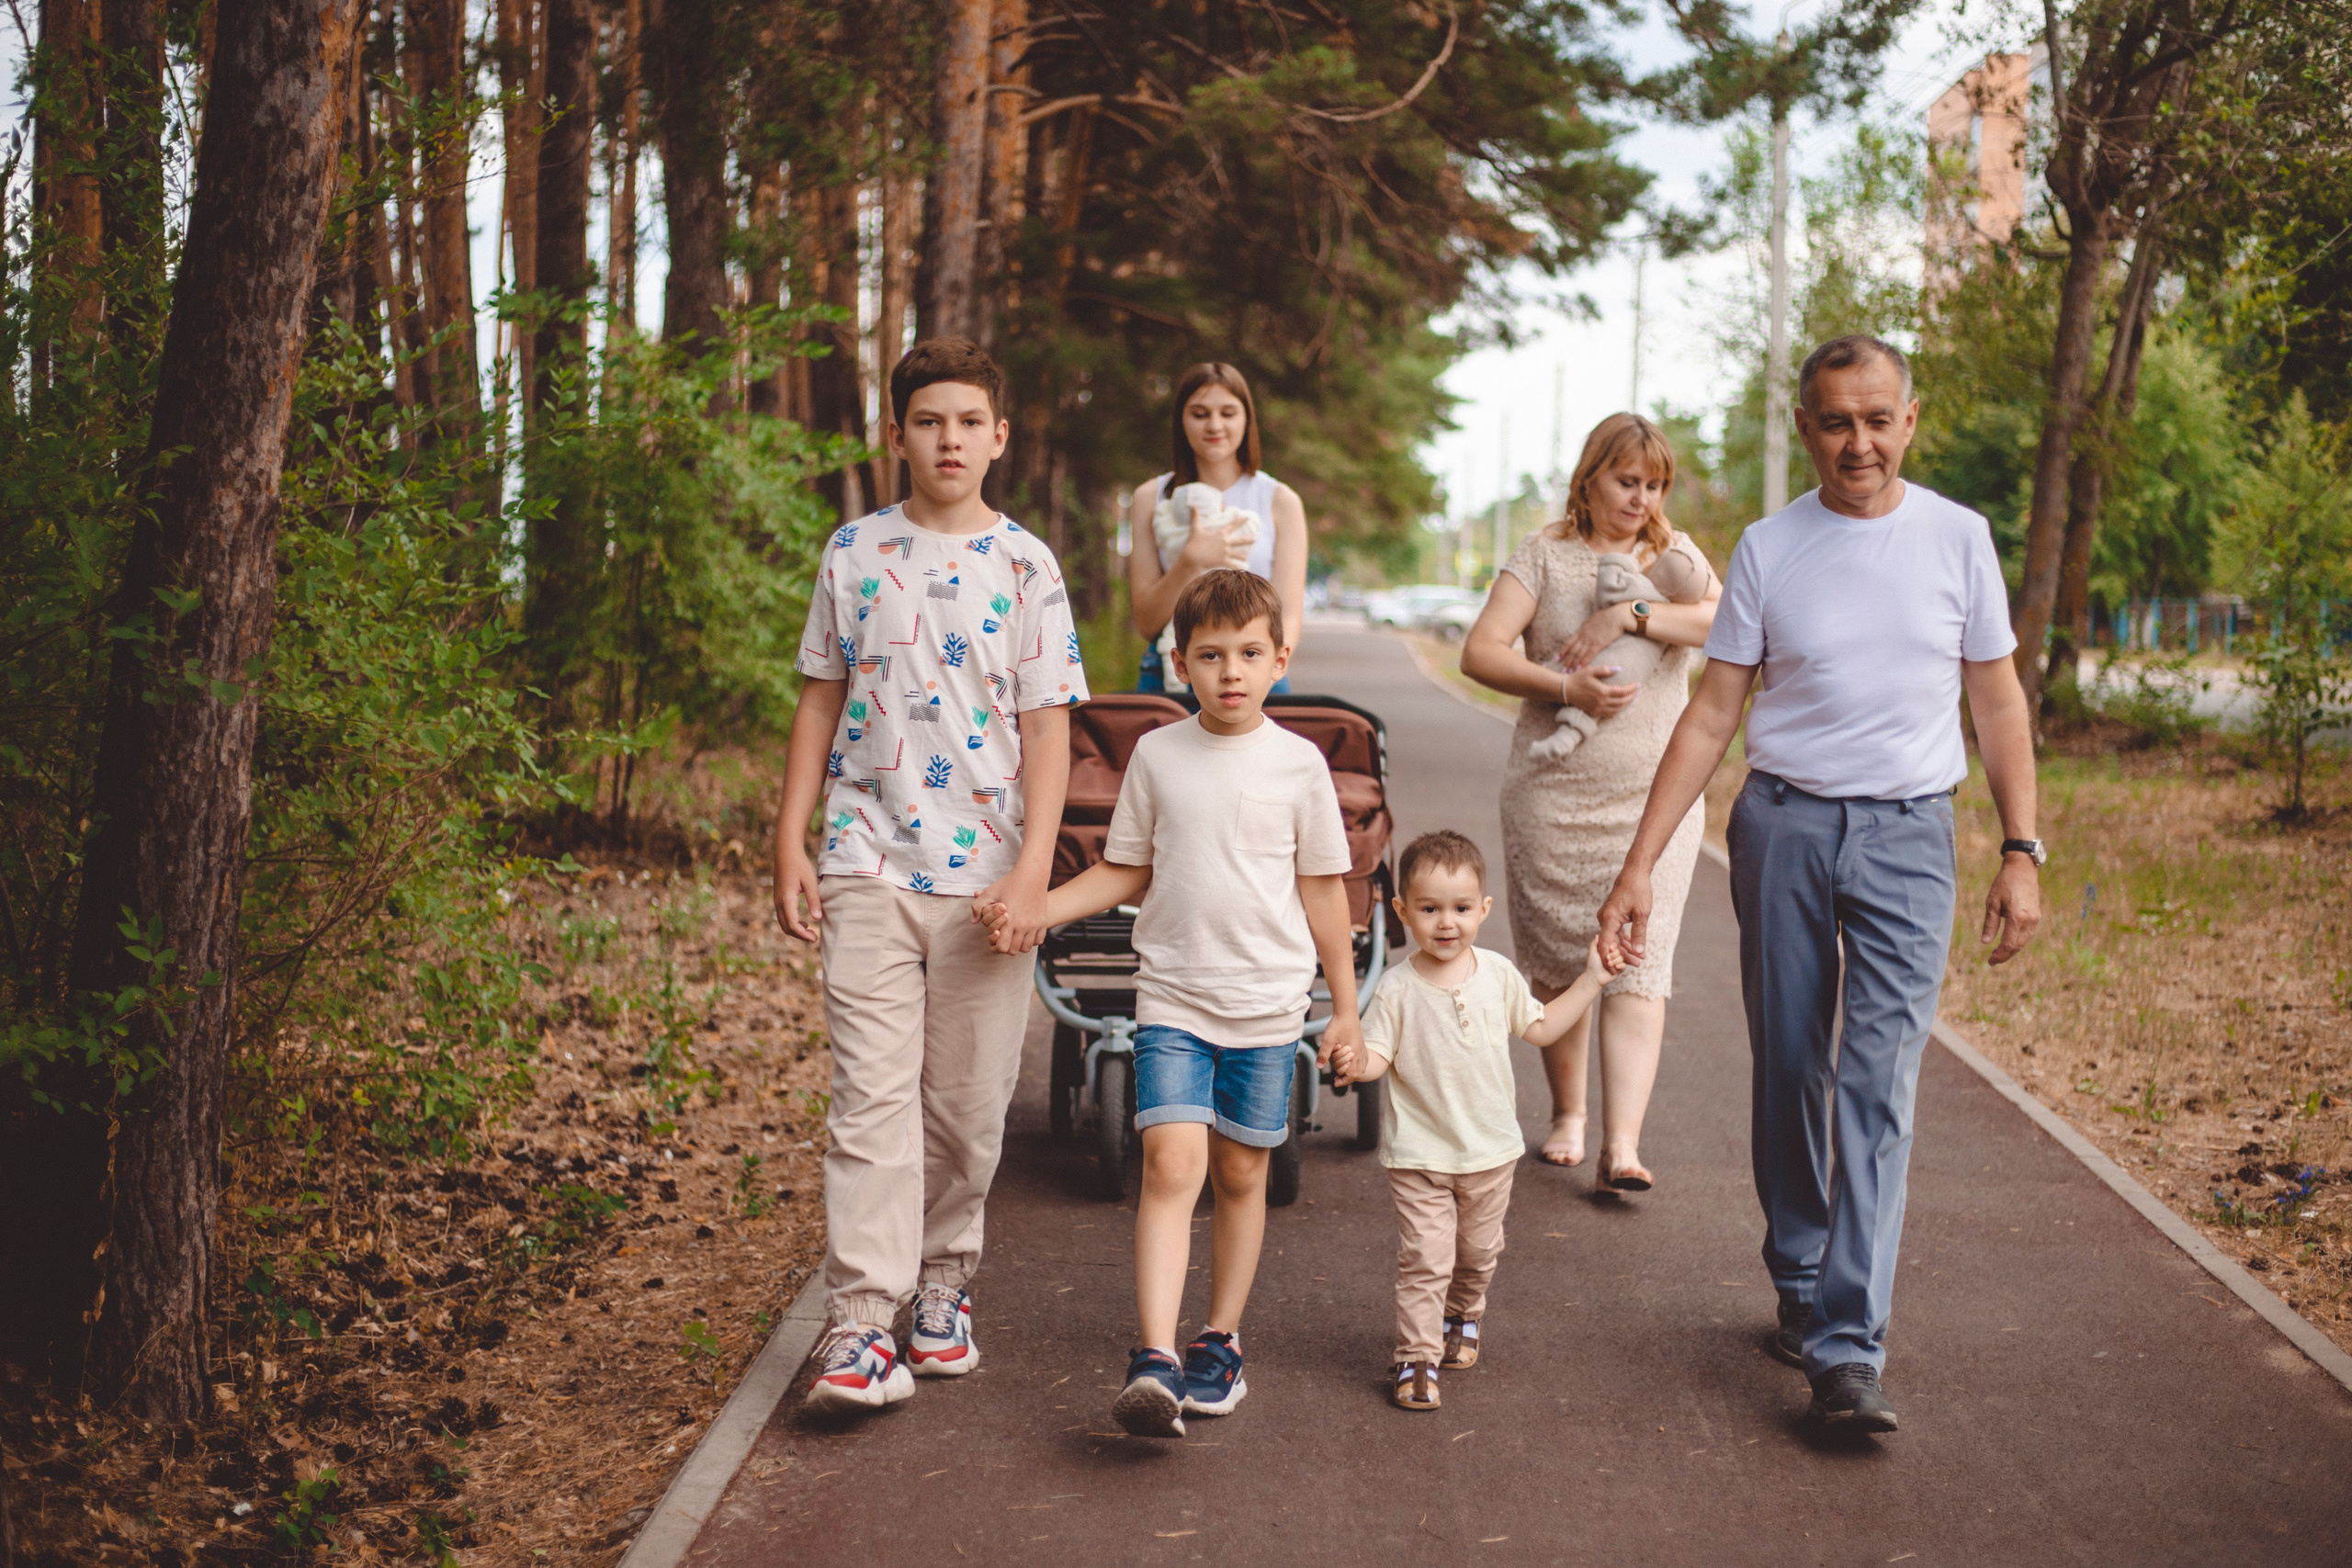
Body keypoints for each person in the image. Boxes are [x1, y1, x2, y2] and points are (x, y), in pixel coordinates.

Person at [1594, 334, 2043, 1434]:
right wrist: (1641, 865)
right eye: (1838, 421)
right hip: (1782, 827)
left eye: (1879, 419)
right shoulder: (1768, 547)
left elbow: (1995, 703)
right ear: (1807, 429)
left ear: (1910, 419)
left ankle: (1847, 1347)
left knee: (1875, 1084)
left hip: (1908, 837)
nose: (1861, 442)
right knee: (1791, 1062)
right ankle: (1798, 1280)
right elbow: (1712, 714)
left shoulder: (1958, 539)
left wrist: (2021, 848)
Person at [774, 338, 1089, 1415]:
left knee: (965, 1109)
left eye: (968, 422)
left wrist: (1034, 874)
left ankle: (945, 1285)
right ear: (896, 434)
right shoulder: (855, 552)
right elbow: (820, 697)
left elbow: (1050, 735)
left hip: (988, 882)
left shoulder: (1027, 565)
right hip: (865, 859)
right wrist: (790, 837)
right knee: (868, 1101)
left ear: (998, 438)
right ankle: (863, 1322)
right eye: (927, 421)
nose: (948, 440)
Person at [982, 569, 1361, 1439]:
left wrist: (1344, 1009)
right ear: (1180, 663)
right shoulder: (1158, 754)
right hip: (1175, 1001)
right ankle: (1153, 1358)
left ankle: (1218, 1339)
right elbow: (1127, 870)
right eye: (1211, 655)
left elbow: (1326, 895)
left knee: (1240, 1173)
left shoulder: (1301, 765)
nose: (1231, 670)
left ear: (1280, 658)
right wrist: (1036, 905)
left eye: (1250, 654)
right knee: (1171, 1167)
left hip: (1268, 1006)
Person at [1459, 413, 1721, 1189]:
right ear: (1591, 477)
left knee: (1639, 965)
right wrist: (1564, 684)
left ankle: (1624, 1143)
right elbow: (1481, 650)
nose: (1641, 497)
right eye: (1626, 480)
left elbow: (1726, 617)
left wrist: (1628, 613)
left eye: (1655, 484)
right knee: (1558, 964)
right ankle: (1570, 1114)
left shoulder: (1672, 558)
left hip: (1655, 804)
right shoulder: (1545, 554)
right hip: (1552, 796)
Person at [1324, 830, 1620, 1412]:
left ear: (1483, 910)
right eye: (1430, 909)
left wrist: (1591, 981)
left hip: (1489, 1151)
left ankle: (1465, 1312)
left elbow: (1540, 1028)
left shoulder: (1500, 976)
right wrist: (1352, 1063)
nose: (1446, 923)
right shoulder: (1396, 989)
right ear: (1403, 910)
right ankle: (1416, 1357)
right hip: (1420, 1154)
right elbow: (1377, 1057)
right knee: (1425, 1258)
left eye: (1461, 909)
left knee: (1478, 1253)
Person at [1126, 363, 1310, 694]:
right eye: (1199, 414)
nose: (1214, 425)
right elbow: (1147, 622)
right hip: (1172, 674)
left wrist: (1250, 682)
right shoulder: (1149, 498)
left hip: (1256, 679)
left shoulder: (1280, 501)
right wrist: (1190, 561)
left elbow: (1288, 621)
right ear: (1181, 420)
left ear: (1246, 420)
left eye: (1228, 413)